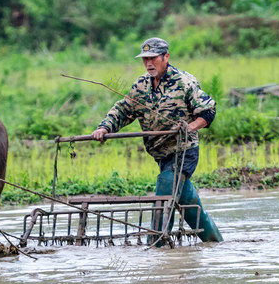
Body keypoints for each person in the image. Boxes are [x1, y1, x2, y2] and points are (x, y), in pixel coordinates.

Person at [91, 37, 223, 243]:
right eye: (145, 59)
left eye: (153, 58)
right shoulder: (140, 85)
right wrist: (104, 127)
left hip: (184, 150)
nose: (148, 63)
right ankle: (214, 241)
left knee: (165, 189)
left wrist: (190, 127)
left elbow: (208, 112)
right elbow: (124, 110)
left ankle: (157, 245)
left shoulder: (184, 82)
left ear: (166, 57)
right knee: (185, 198)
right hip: (159, 152)